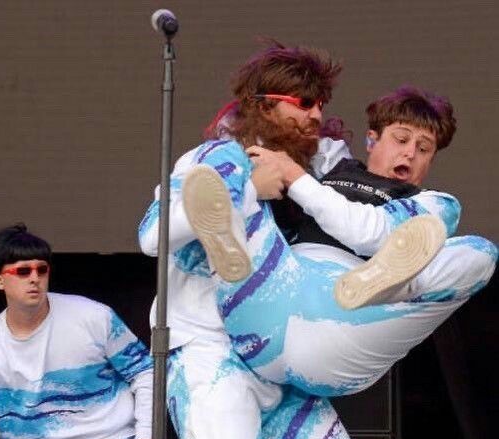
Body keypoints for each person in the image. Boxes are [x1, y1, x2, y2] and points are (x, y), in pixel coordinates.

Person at [140, 43, 378, 439]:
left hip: (278, 361)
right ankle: (230, 232)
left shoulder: (311, 172)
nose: (316, 115)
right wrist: (247, 189)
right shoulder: (213, 157)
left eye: (321, 106)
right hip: (210, 353)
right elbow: (152, 235)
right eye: (303, 103)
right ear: (263, 104)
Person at [178, 84, 497, 399]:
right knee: (250, 189)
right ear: (372, 140)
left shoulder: (434, 203)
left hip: (344, 325)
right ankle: (224, 242)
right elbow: (281, 133)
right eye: (401, 139)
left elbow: (369, 234)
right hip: (271, 306)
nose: (410, 152)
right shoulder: (331, 166)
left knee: (480, 253)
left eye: (424, 148)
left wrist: (296, 178)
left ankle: (391, 285)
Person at [0, 224, 167, 439]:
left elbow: (146, 371)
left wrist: (146, 438)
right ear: (0, 281)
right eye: (23, 271)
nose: (34, 278)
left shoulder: (93, 316)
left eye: (42, 269)